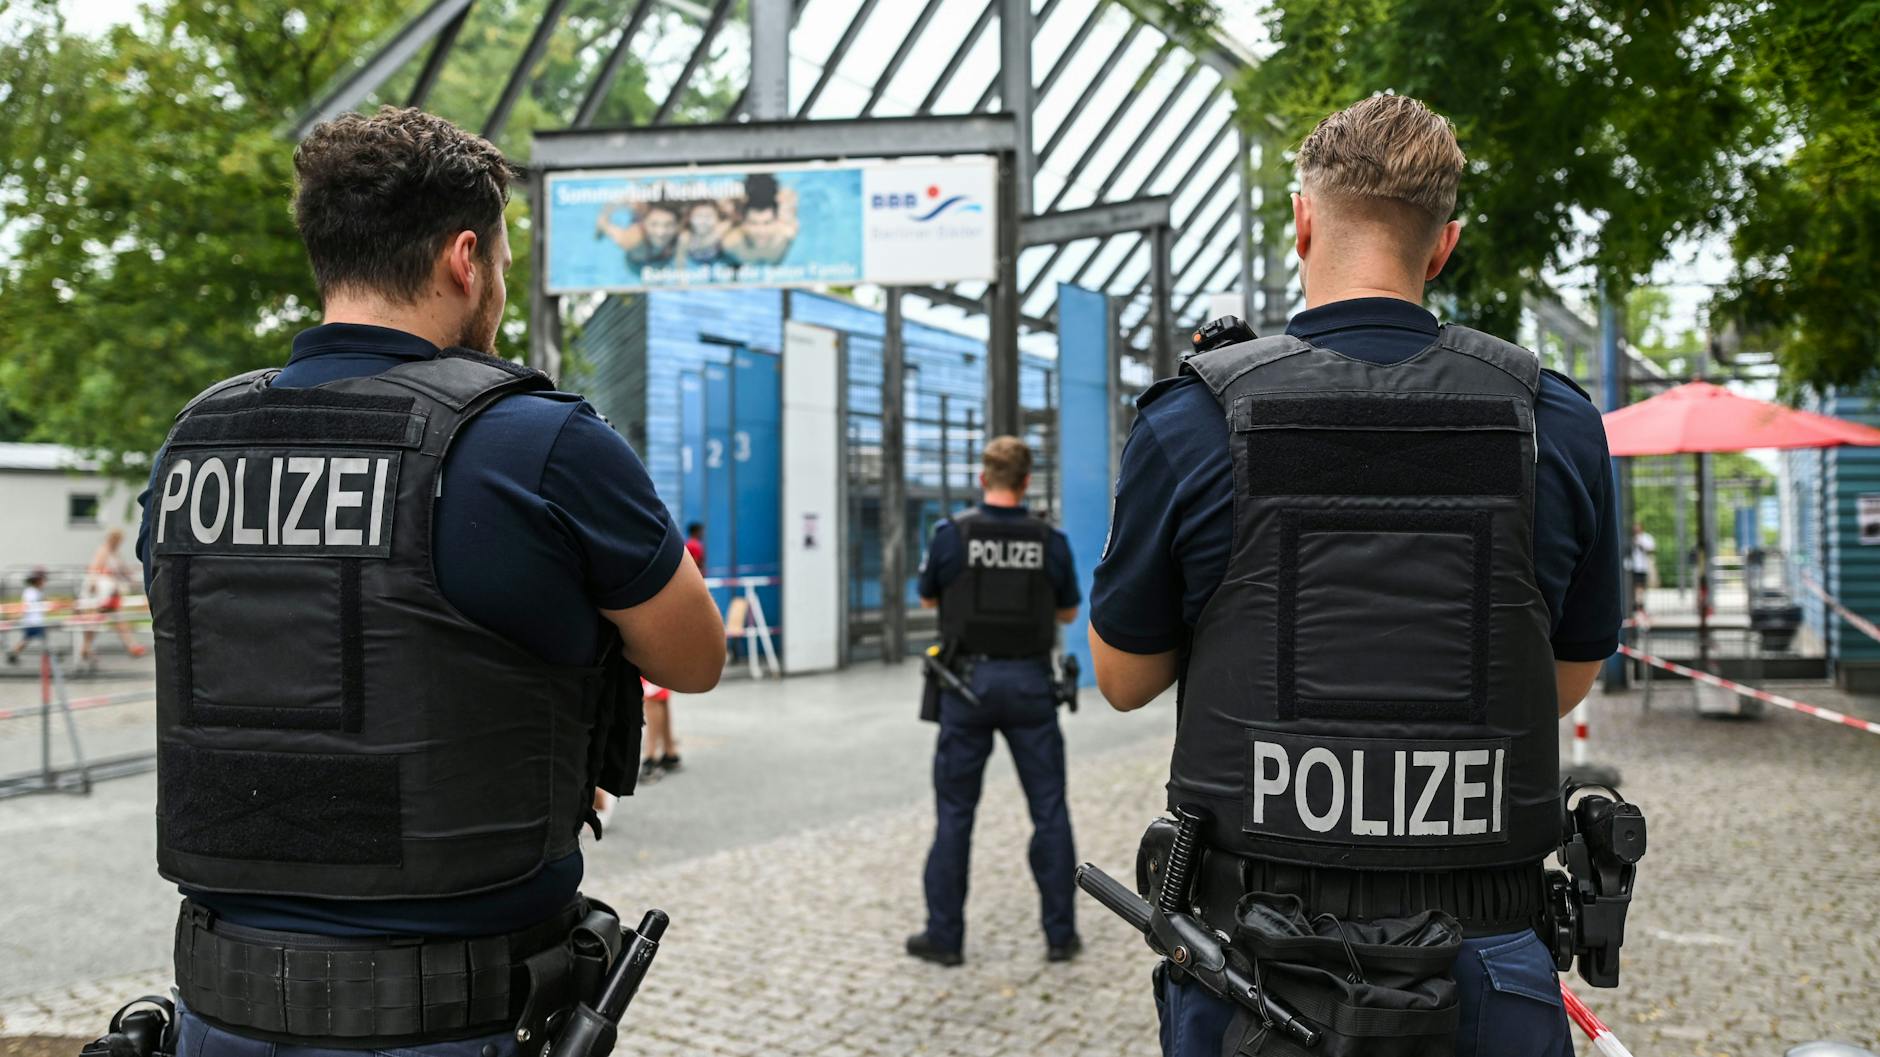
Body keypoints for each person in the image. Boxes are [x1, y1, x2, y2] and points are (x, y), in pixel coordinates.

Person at [133, 106, 725, 1057]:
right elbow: (694, 660)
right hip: (453, 1018)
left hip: (219, 1010)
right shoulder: (543, 443)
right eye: (502, 260)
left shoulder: (191, 446)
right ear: (465, 259)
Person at [1089, 96, 1621, 1057]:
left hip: (1256, 964)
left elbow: (1124, 679)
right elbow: (1561, 681)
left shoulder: (1193, 420)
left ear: (1302, 222)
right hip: (1487, 958)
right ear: (1443, 245)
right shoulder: (1556, 422)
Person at [906, 437, 1084, 967]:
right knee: (1049, 811)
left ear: (983, 479)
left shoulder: (951, 535)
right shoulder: (1050, 540)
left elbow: (928, 597)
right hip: (1031, 685)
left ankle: (945, 938)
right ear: (1026, 483)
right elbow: (1068, 613)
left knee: (955, 813)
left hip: (967, 686)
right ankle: (1060, 935)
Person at [77, 527, 148, 665]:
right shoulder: (103, 551)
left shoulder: (115, 554)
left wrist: (133, 578)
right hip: (100, 593)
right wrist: (94, 585)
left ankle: (131, 646)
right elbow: (94, 569)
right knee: (97, 621)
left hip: (110, 593)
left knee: (115, 619)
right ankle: (87, 648)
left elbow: (123, 571)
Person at [596, 199, 681, 269]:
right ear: (644, 224)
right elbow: (603, 223)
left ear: (677, 225)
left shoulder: (682, 233)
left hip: (663, 260)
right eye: (654, 225)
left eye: (668, 225)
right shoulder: (631, 239)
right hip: (637, 265)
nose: (661, 233)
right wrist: (600, 230)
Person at [4, 568, 49, 666]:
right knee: (36, 639)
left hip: (36, 621)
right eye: (41, 580)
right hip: (33, 622)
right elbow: (26, 606)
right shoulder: (30, 592)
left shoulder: (37, 591)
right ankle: (50, 655)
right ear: (36, 581)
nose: (44, 583)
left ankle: (14, 653)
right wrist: (17, 616)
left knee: (27, 639)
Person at [1629, 521, 1658, 608]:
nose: (1636, 529)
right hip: (1632, 566)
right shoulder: (1630, 538)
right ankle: (1637, 603)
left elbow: (1652, 550)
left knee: (1641, 586)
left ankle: (1640, 604)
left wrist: (1641, 545)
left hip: (1643, 566)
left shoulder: (1647, 537)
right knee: (1634, 586)